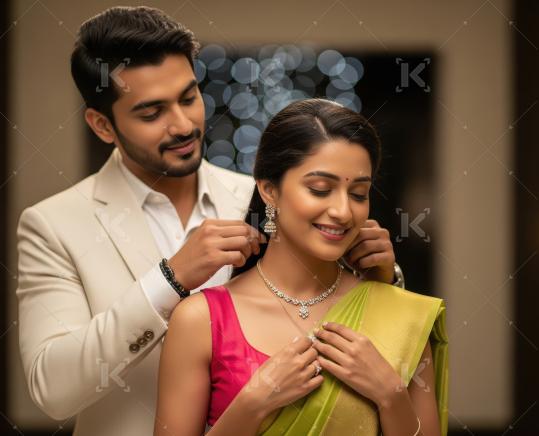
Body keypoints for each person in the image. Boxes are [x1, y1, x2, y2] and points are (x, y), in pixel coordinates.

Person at [16, 7, 403, 436]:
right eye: (151, 113)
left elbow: (337, 307)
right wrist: (169, 280)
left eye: (188, 97)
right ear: (103, 125)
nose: (183, 124)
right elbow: (53, 390)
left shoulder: (269, 199)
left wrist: (384, 278)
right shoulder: (53, 224)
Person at [156, 99, 448, 436]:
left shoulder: (398, 314)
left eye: (358, 194)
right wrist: (254, 402)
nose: (342, 211)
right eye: (320, 189)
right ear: (269, 190)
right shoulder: (200, 320)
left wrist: (390, 394)